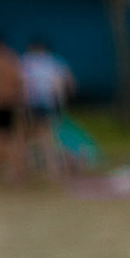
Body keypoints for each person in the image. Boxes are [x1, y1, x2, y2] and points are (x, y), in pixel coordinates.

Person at [20, 38, 76, 179]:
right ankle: (50, 167)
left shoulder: (27, 61)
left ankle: (42, 168)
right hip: (48, 103)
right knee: (46, 136)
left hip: (34, 103)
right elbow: (69, 82)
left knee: (35, 136)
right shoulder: (53, 61)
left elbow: (21, 83)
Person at [0, 35, 25, 181]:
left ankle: (9, 170)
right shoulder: (11, 59)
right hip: (11, 101)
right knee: (13, 137)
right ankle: (16, 170)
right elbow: (19, 81)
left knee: (1, 137)